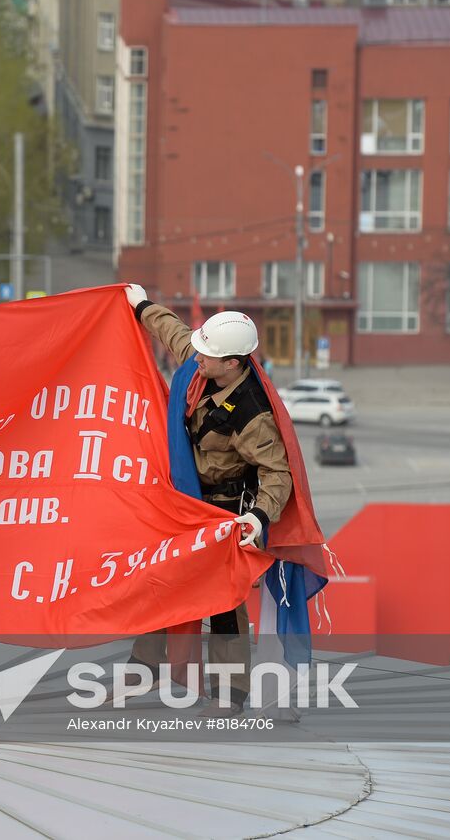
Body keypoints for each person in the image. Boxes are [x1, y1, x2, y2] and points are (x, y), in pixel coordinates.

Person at [125, 284, 293, 717]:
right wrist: (141, 305)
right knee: (159, 579)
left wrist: (257, 518)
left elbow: (278, 473)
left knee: (223, 605)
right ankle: (144, 670)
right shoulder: (204, 368)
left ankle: (229, 694)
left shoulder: (254, 416)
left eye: (206, 355)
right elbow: (176, 334)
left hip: (224, 512)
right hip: (184, 503)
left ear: (232, 364)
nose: (195, 357)